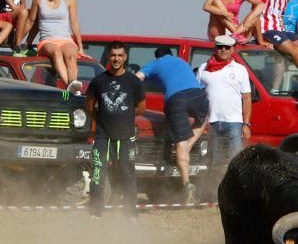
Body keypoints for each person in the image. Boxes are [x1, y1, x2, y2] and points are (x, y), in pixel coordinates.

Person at [136, 47, 209, 203]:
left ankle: (186, 183)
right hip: (197, 94)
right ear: (171, 54)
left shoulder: (154, 64)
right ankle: (189, 147)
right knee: (203, 119)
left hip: (176, 99)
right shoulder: (181, 61)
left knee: (180, 144)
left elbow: (138, 77)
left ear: (157, 57)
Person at [86, 41, 146, 219]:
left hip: (126, 137)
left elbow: (141, 108)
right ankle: (95, 213)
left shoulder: (133, 81)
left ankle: (131, 214)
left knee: (128, 175)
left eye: (120, 55)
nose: (116, 59)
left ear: (125, 57)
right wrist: (102, 120)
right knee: (98, 176)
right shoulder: (98, 81)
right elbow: (89, 106)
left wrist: (124, 115)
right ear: (108, 57)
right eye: (113, 55)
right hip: (103, 137)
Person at [24, 0, 83, 94]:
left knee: (72, 56)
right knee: (56, 53)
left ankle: (73, 85)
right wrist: (23, 42)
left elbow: (74, 23)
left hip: (65, 39)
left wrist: (80, 48)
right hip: (47, 40)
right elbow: (31, 22)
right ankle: (71, 88)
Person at [196, 35, 252, 163]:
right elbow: (197, 94)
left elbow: (247, 98)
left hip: (234, 122)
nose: (223, 50)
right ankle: (213, 182)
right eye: (220, 47)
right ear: (215, 48)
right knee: (212, 160)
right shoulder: (204, 68)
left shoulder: (240, 70)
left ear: (232, 50)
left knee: (236, 160)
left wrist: (246, 124)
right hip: (210, 122)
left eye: (227, 47)